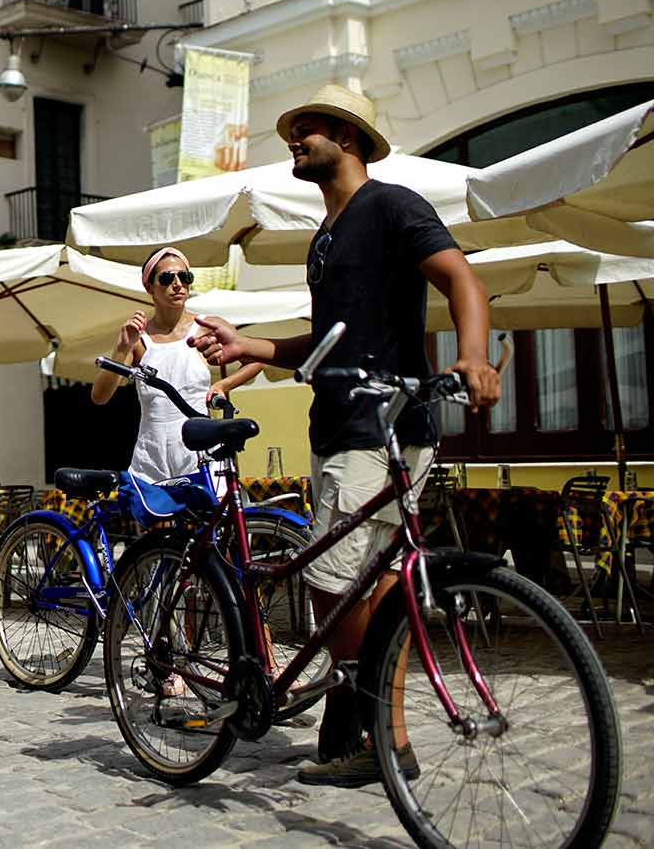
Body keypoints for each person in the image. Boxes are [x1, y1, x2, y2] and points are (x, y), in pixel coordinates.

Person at [188, 84, 499, 787]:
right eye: (293, 129)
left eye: (311, 128)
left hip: (383, 429)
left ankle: (376, 735)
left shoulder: (391, 205)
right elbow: (326, 342)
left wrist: (474, 355)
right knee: (372, 591)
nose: (295, 138)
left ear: (349, 138)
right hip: (344, 427)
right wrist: (253, 346)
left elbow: (461, 279)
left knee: (336, 592)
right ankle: (362, 729)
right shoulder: (324, 237)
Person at [91, 247, 264, 484]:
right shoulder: (138, 339)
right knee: (153, 519)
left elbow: (256, 359)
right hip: (151, 456)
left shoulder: (206, 326)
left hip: (199, 449)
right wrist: (121, 349)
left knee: (213, 518)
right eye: (166, 278)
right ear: (149, 287)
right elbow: (99, 396)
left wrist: (223, 384)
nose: (177, 284)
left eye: (185, 277)